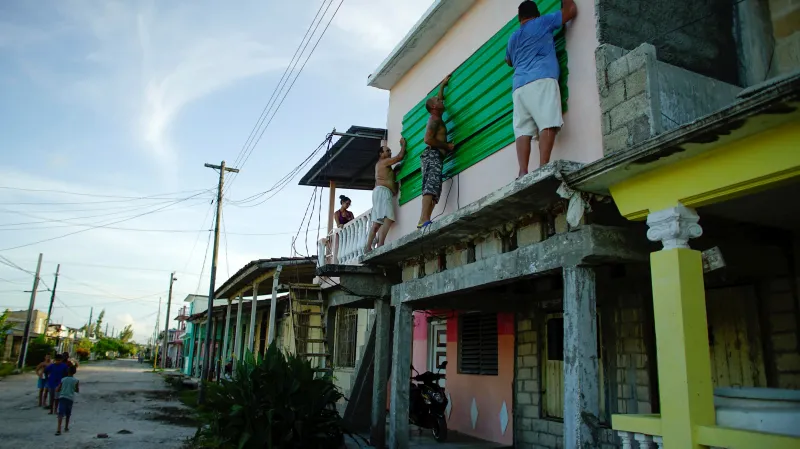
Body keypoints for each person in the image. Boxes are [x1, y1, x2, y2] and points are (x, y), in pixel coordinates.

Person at [506, 0, 577, 177]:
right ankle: (543, 166)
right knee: (547, 122)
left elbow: (509, 61)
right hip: (541, 79)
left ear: (519, 18)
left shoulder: (513, 37)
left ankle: (523, 171)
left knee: (522, 130)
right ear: (536, 14)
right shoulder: (542, 22)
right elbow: (570, 10)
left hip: (519, 88)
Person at [418, 74, 456, 229]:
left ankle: (424, 219)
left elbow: (439, 100)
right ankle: (423, 219)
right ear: (434, 107)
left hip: (435, 157)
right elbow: (427, 139)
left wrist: (442, 86)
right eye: (438, 101)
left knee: (435, 189)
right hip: (433, 155)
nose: (441, 100)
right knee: (431, 186)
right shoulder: (434, 120)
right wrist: (446, 146)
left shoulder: (437, 115)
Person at [364, 137, 407, 252]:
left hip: (379, 192)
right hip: (383, 192)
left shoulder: (382, 165)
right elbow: (400, 157)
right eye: (387, 150)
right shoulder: (383, 162)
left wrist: (395, 172)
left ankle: (368, 247)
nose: (390, 152)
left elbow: (388, 176)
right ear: (381, 154)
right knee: (388, 217)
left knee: (377, 222)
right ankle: (381, 244)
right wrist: (403, 144)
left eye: (389, 150)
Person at [55, 365, 79, 436]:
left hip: (62, 397)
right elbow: (77, 390)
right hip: (70, 398)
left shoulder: (63, 379)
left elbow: (57, 389)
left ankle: (59, 429)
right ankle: (66, 427)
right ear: (74, 372)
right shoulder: (76, 381)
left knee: (61, 413)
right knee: (68, 413)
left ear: (67, 371)